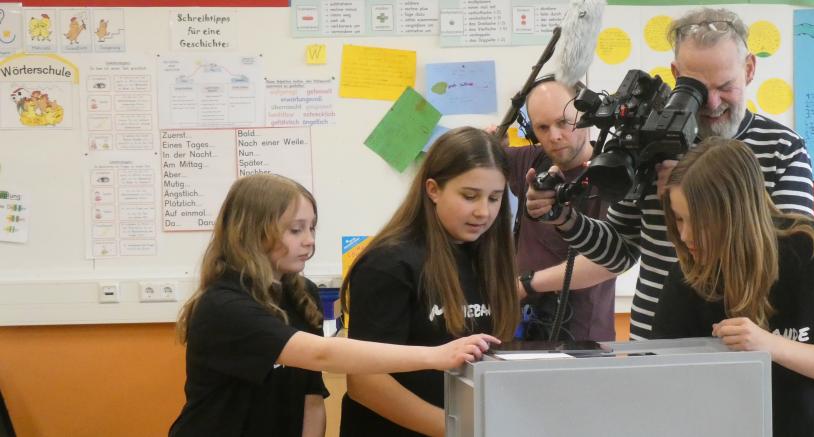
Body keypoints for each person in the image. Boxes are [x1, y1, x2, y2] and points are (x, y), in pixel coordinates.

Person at [524, 7, 814, 340]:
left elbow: (792, 258)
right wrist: (565, 218)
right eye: (699, 89)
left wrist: (698, 196)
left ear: (749, 69)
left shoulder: (783, 148)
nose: (713, 102)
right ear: (676, 75)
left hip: (742, 342)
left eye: (725, 86)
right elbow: (618, 251)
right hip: (653, 341)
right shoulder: (648, 141)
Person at [170, 173, 498, 437]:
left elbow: (312, 398)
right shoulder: (224, 306)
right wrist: (435, 355)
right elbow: (321, 353)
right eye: (295, 230)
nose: (310, 240)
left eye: (312, 227)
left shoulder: (302, 294)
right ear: (252, 233)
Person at [653, 137, 814, 437]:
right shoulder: (685, 279)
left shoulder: (809, 247)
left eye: (700, 221)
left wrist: (766, 345)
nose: (685, 234)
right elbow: (665, 383)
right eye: (678, 219)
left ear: (735, 214)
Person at [339, 127, 522, 437]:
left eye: (494, 198)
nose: (484, 211)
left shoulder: (487, 258)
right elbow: (365, 382)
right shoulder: (390, 263)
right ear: (433, 190)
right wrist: (457, 430)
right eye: (469, 196)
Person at [505, 77, 616, 342]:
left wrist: (526, 284)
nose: (554, 136)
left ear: (586, 116)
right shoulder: (530, 161)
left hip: (584, 339)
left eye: (563, 122)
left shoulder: (611, 174)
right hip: (523, 332)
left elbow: (609, 261)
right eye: (542, 127)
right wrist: (487, 144)